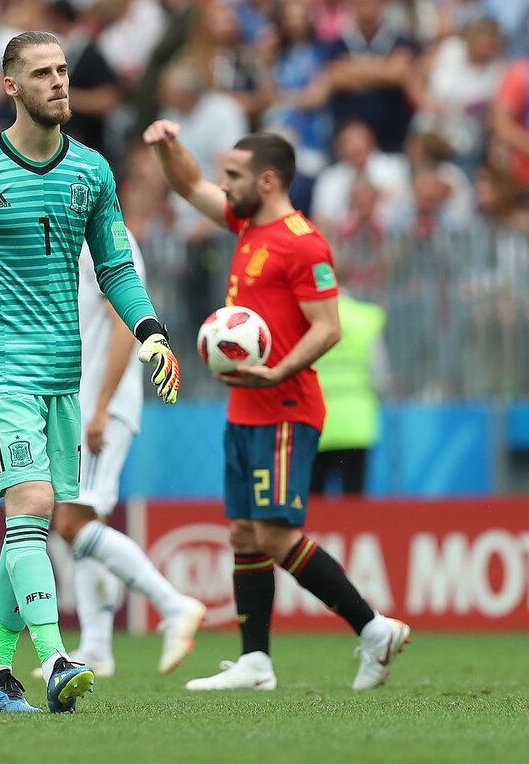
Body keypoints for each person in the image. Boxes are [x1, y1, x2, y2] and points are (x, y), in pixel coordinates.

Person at [0, 31, 182, 715]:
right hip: (0, 363)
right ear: (11, 86)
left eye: (63, 70)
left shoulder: (93, 172)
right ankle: (54, 659)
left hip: (63, 373)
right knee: (32, 505)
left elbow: (116, 268)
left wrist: (151, 332)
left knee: (33, 524)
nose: (58, 82)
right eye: (42, 72)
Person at [143, 119, 410, 691]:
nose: (223, 184)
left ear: (267, 180)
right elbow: (187, 184)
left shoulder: (303, 242)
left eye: (233, 175)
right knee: (244, 534)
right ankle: (255, 662)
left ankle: (372, 629)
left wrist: (278, 370)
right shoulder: (245, 223)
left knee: (274, 536)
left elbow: (328, 326)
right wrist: (168, 146)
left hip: (286, 406)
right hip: (244, 409)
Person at [35, 238, 205, 681]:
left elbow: (122, 328)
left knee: (71, 523)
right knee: (83, 522)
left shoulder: (109, 242)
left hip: (100, 405)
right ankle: (96, 646)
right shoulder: (82, 236)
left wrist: (101, 406)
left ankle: (173, 605)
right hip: (87, 402)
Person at [311, 292, 388, 498]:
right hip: (355, 423)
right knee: (353, 502)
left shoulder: (308, 316)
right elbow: (380, 375)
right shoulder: (365, 318)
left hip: (315, 421)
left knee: (313, 503)